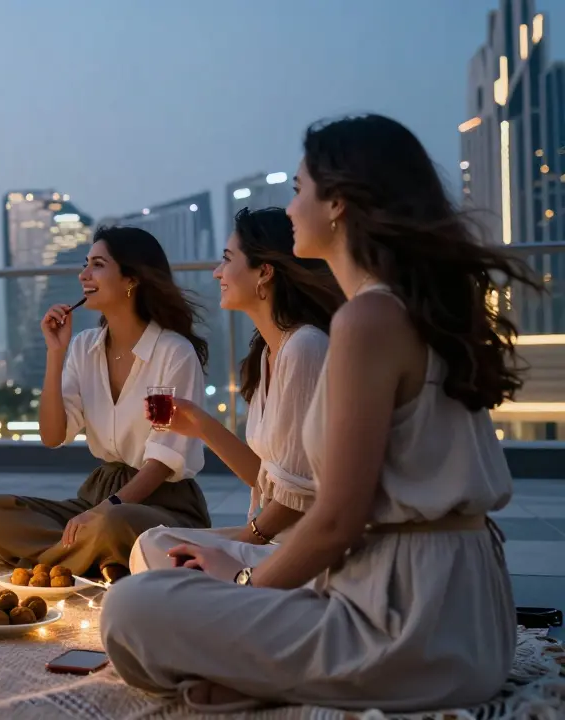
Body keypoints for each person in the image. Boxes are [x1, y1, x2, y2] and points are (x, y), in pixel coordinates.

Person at [101, 114, 530, 712]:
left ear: (338, 205)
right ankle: (263, 675)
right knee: (161, 580)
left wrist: (245, 580)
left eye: (300, 189)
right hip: (453, 609)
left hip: (409, 622)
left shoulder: (367, 320)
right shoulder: (402, 312)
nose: (292, 204)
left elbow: (334, 522)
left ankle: (282, 677)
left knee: (130, 610)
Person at [0, 227, 212, 583]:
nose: (83, 275)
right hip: (98, 493)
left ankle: (48, 566)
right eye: (86, 265)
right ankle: (97, 560)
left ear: (131, 279)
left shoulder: (174, 352)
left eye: (97, 265)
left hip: (162, 503)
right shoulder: (84, 347)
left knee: (113, 525)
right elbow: (53, 436)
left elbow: (162, 462)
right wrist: (55, 353)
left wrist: (106, 510)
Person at [128, 207, 341, 574]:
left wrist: (239, 542)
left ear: (264, 272)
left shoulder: (306, 348)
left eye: (227, 260)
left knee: (164, 563)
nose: (217, 272)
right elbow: (270, 479)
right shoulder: (268, 354)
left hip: (307, 552)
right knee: (152, 545)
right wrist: (199, 424)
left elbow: (299, 497)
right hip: (276, 539)